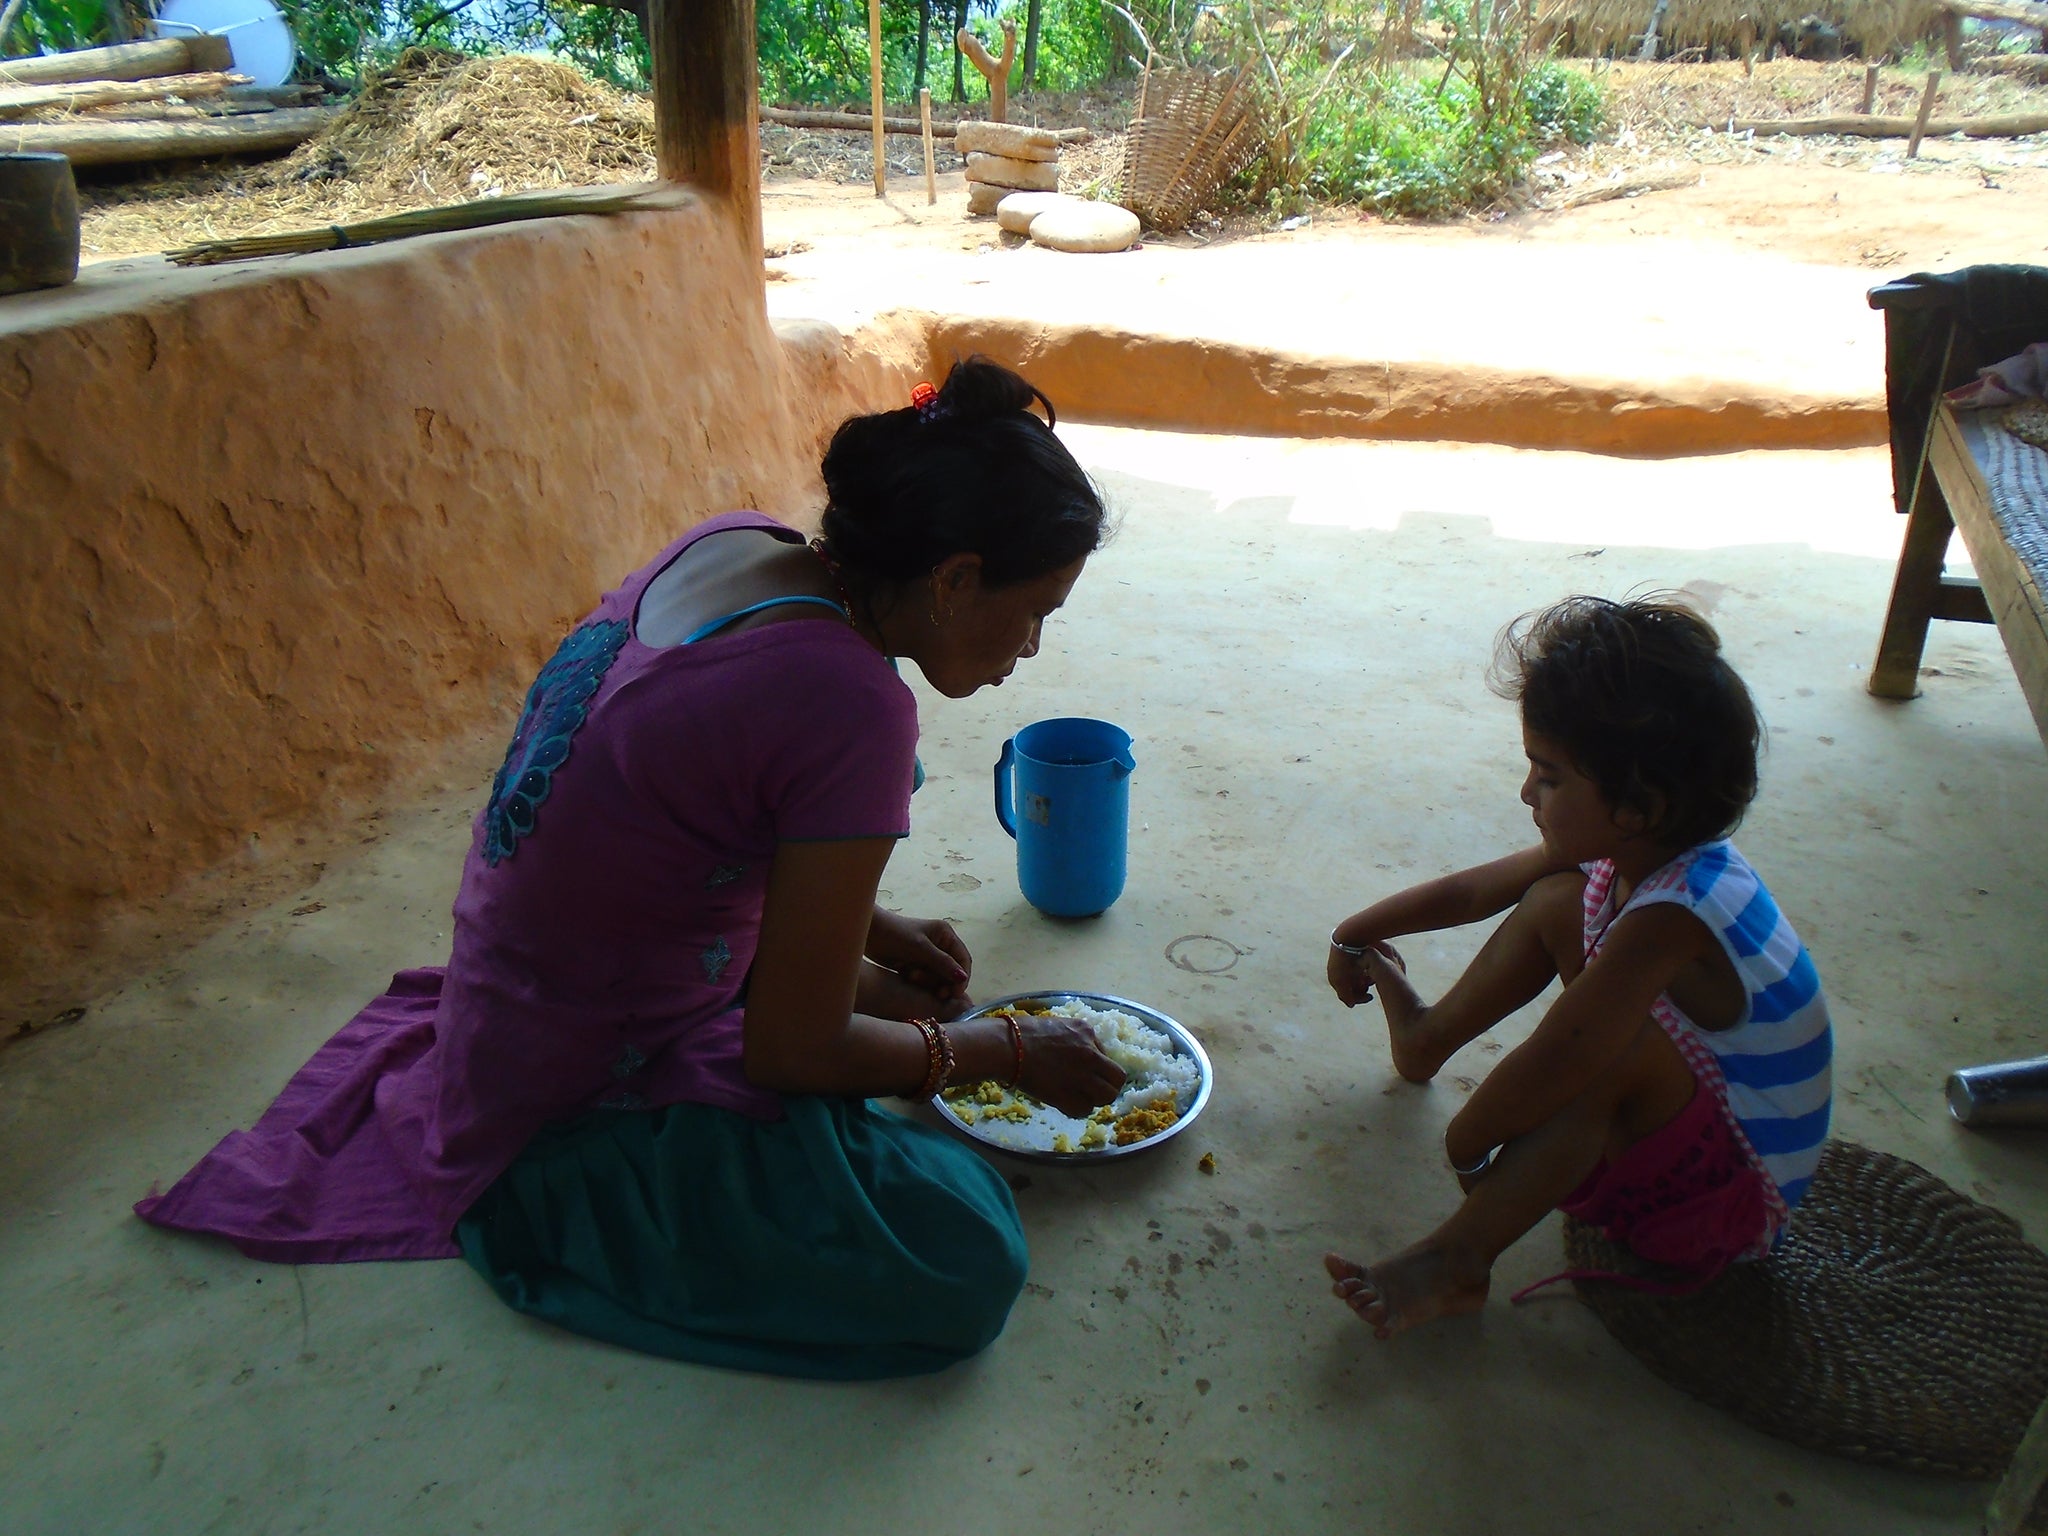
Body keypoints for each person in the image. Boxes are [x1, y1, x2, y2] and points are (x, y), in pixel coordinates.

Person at [137, 359, 1128, 1379]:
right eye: (1034, 610)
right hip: (561, 1098)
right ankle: (608, 1194)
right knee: (962, 1255)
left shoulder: (739, 544)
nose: (1031, 647)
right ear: (954, 577)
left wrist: (873, 927)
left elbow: (691, 806)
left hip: (511, 1002)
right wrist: (996, 1050)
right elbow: (794, 1051)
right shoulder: (850, 702)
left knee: (901, 996)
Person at [1321, 595, 1832, 1339]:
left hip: (1727, 1205)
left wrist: (1468, 1140)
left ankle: (1458, 1259)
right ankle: (1426, 1038)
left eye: (1549, 776)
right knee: (1556, 897)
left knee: (1604, 1058)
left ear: (1637, 805)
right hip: (1693, 1125)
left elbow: (1561, 1056)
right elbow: (1475, 890)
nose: (1527, 792)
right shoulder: (1642, 843)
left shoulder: (1675, 915)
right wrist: (1354, 934)